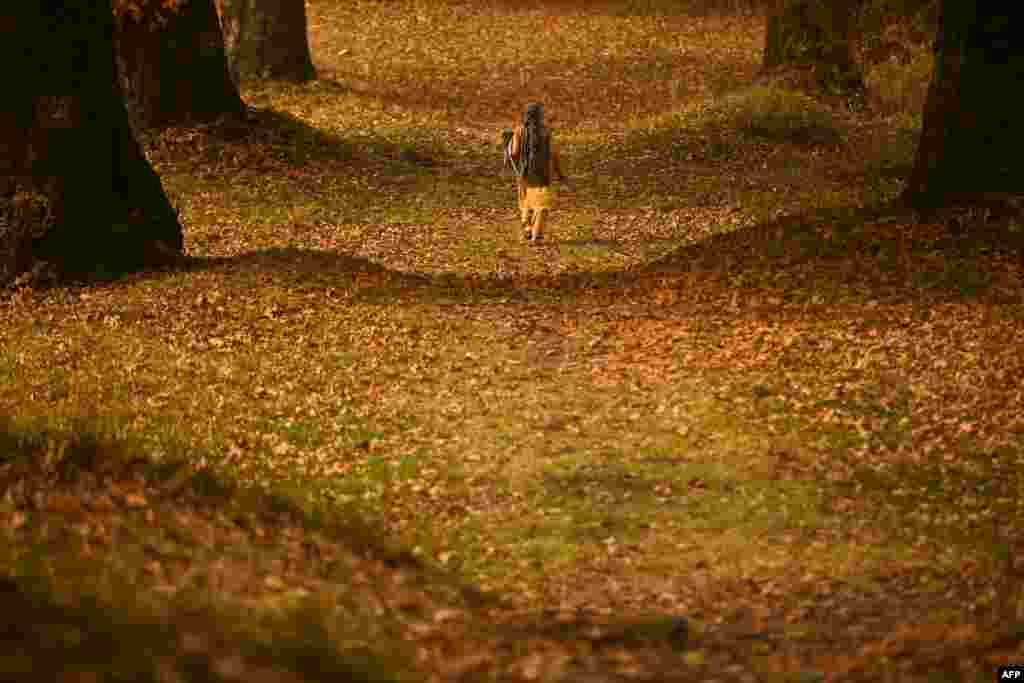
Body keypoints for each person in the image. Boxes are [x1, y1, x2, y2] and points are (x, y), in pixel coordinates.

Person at [508, 103, 566, 242]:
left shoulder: (519, 131)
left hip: (524, 174)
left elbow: (514, 152)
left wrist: (508, 151)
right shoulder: (546, 132)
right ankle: (536, 233)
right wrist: (560, 173)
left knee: (526, 202)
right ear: (540, 117)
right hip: (543, 175)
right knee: (540, 204)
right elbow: (554, 154)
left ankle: (527, 226)